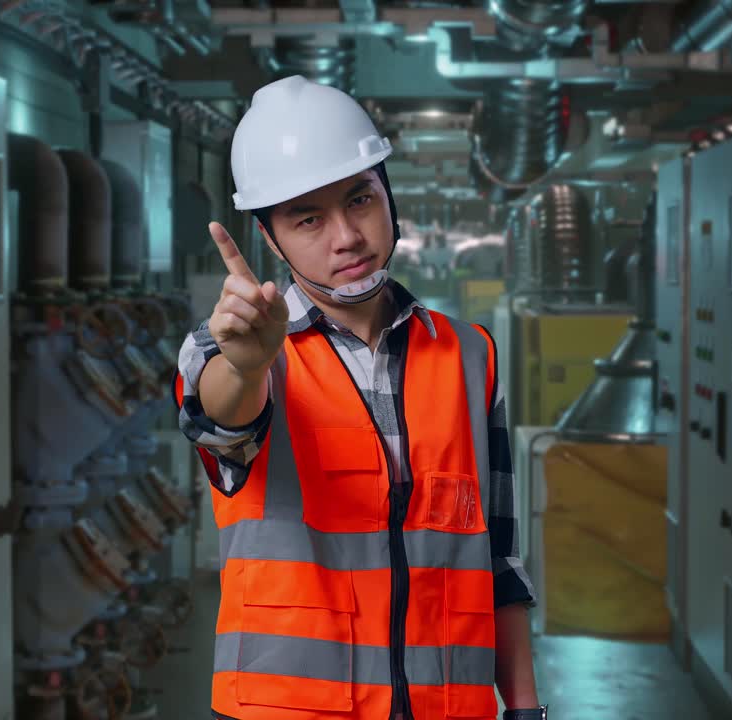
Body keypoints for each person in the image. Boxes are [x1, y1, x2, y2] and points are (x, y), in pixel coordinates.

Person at [172, 75, 546, 720]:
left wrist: (524, 708)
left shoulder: (469, 354)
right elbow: (222, 423)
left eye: (359, 199)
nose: (345, 236)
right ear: (270, 237)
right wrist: (247, 363)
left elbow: (499, 561)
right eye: (307, 218)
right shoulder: (228, 350)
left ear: (387, 194)